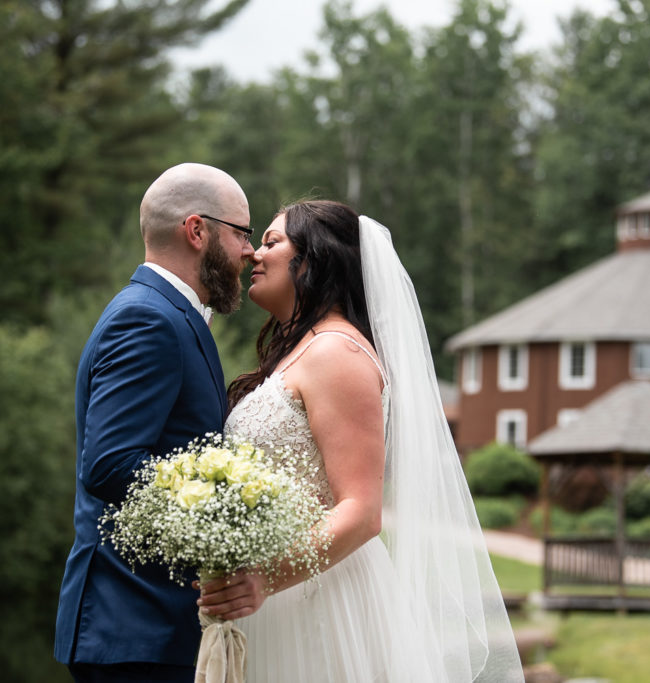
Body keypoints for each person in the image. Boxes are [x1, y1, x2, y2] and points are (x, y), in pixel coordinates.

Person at [196, 200, 524, 682]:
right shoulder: (301, 352)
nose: (254, 256)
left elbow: (362, 510)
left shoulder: (337, 353)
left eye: (271, 242)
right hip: (275, 597)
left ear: (312, 259)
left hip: (320, 601)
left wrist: (265, 579)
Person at [54, 163, 256, 682]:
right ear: (197, 230)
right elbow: (111, 462)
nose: (249, 251)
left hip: (148, 627)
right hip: (131, 624)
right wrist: (229, 508)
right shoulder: (147, 318)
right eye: (241, 232)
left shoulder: (172, 315)